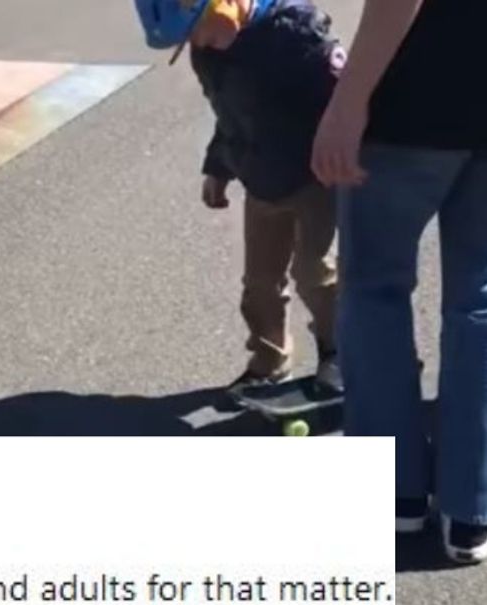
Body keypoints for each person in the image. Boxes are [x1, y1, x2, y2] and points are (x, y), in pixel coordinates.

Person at [312, 0, 487, 564]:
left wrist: (347, 101)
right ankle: (470, 510)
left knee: (375, 292)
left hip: (411, 105)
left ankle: (397, 493)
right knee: (479, 300)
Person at [135, 0, 345, 398]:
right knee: (260, 283)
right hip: (260, 178)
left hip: (315, 178)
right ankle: (269, 360)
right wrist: (217, 167)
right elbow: (228, 114)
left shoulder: (296, 33)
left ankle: (340, 351)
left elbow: (343, 102)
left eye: (199, 28)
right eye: (189, 40)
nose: (200, 42)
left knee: (314, 273)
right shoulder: (209, 54)